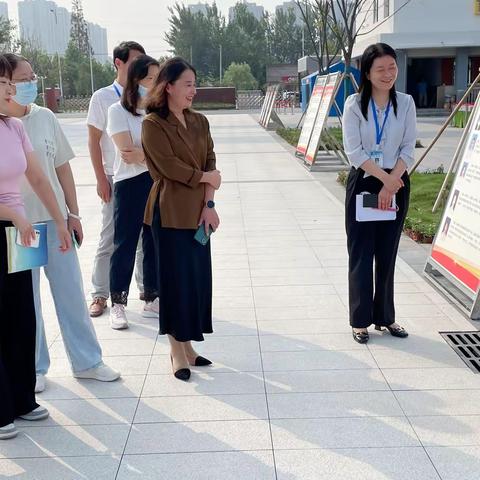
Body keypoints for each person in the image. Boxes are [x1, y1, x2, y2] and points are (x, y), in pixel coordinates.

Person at [5, 53, 120, 392]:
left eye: (32, 76)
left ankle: (87, 361)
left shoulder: (45, 117)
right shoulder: (3, 126)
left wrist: (72, 213)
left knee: (70, 292)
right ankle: (35, 367)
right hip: (20, 228)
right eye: (24, 78)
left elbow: (62, 169)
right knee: (30, 303)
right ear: (6, 84)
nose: (32, 83)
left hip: (55, 223)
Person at [0, 55, 70, 440]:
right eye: (6, 84)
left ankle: (23, 398)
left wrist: (61, 220)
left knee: (22, 313)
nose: (14, 91)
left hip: (18, 228)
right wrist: (17, 216)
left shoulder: (14, 127)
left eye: (15, 85)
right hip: (11, 223)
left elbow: (39, 178)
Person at [142, 57, 222, 381]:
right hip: (170, 211)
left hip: (199, 211)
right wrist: (205, 176)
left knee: (196, 281)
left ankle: (188, 346)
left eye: (194, 83)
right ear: (168, 86)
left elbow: (211, 161)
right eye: (187, 84)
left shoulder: (200, 121)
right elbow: (169, 167)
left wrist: (210, 202)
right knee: (175, 283)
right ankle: (176, 350)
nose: (193, 90)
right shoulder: (152, 124)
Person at [343, 43, 417, 344]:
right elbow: (355, 152)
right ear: (368, 73)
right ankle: (360, 321)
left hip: (397, 182)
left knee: (387, 252)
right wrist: (384, 181)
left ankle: (386, 317)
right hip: (365, 181)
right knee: (361, 253)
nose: (388, 74)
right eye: (380, 69)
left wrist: (391, 182)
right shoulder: (353, 105)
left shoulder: (407, 103)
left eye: (392, 67)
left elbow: (409, 148)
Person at [87, 41, 147, 318]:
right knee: (111, 237)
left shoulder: (148, 96)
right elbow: (93, 139)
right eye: (134, 61)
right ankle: (100, 294)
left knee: (143, 239)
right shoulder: (103, 98)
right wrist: (101, 177)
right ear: (118, 63)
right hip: (115, 177)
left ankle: (147, 291)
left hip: (145, 177)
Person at [107, 55, 160, 329]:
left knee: (153, 240)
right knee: (125, 244)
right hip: (129, 184)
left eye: (157, 78)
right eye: (149, 78)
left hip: (156, 182)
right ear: (136, 81)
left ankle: (151, 297)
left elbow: (166, 153)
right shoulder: (118, 111)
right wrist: (155, 157)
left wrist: (148, 156)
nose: (154, 84)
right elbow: (127, 153)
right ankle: (117, 303)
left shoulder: (156, 112)